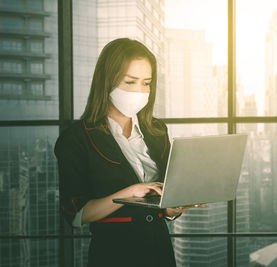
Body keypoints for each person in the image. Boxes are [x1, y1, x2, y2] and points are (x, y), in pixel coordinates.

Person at [54, 38, 199, 266]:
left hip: (160, 253)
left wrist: (174, 207)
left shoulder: (157, 130)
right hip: (113, 255)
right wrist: (130, 192)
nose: (140, 91)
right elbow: (76, 215)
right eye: (130, 82)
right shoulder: (76, 139)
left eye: (146, 83)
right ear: (107, 81)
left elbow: (163, 198)